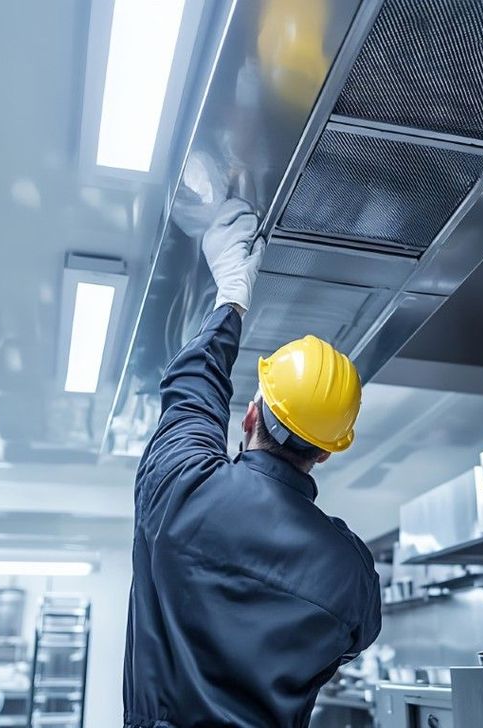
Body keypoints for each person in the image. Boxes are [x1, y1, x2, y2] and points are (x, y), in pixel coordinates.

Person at [123, 198, 382, 728]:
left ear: (251, 415)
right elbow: (358, 635)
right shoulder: (351, 572)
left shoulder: (182, 492)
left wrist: (233, 297)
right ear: (329, 449)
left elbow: (192, 397)